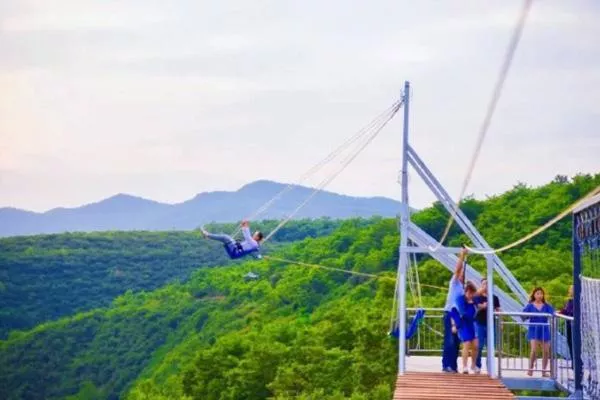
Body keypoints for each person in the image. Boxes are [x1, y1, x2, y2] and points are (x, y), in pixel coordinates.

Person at [442, 247, 468, 373]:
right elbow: (457, 269)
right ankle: (446, 365)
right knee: (450, 340)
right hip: (450, 313)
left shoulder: (463, 289)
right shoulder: (454, 283)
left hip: (458, 316)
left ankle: (453, 366)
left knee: (456, 342)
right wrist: (462, 256)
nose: (461, 274)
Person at [523, 287, 554, 377]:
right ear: (534, 295)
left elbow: (553, 314)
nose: (540, 295)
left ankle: (543, 371)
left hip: (544, 329)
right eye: (537, 293)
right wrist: (527, 315)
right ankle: (530, 368)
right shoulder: (530, 305)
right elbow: (523, 315)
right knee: (534, 351)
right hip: (534, 329)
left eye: (541, 293)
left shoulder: (546, 306)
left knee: (546, 351)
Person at [473, 278, 501, 371]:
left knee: (491, 346)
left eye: (487, 284)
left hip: (491, 324)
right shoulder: (477, 297)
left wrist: (501, 322)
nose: (486, 286)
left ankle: (490, 366)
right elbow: (477, 307)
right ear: (481, 285)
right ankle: (477, 365)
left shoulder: (494, 297)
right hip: (479, 323)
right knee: (479, 345)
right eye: (484, 284)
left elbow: (498, 310)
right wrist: (483, 306)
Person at [456, 281, 479, 374]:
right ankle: (465, 366)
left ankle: (473, 365)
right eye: (469, 293)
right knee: (466, 344)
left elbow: (478, 308)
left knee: (476, 346)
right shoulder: (461, 299)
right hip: (464, 324)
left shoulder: (474, 300)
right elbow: (462, 312)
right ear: (465, 291)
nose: (470, 295)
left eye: (472, 293)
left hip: (473, 324)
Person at [559, 285, 574, 364]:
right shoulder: (569, 301)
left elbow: (572, 312)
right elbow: (566, 310)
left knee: (574, 344)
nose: (570, 291)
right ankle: (573, 362)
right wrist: (560, 312)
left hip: (574, 326)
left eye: (571, 289)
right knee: (570, 343)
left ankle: (576, 364)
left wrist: (565, 313)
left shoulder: (578, 300)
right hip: (569, 325)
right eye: (570, 289)